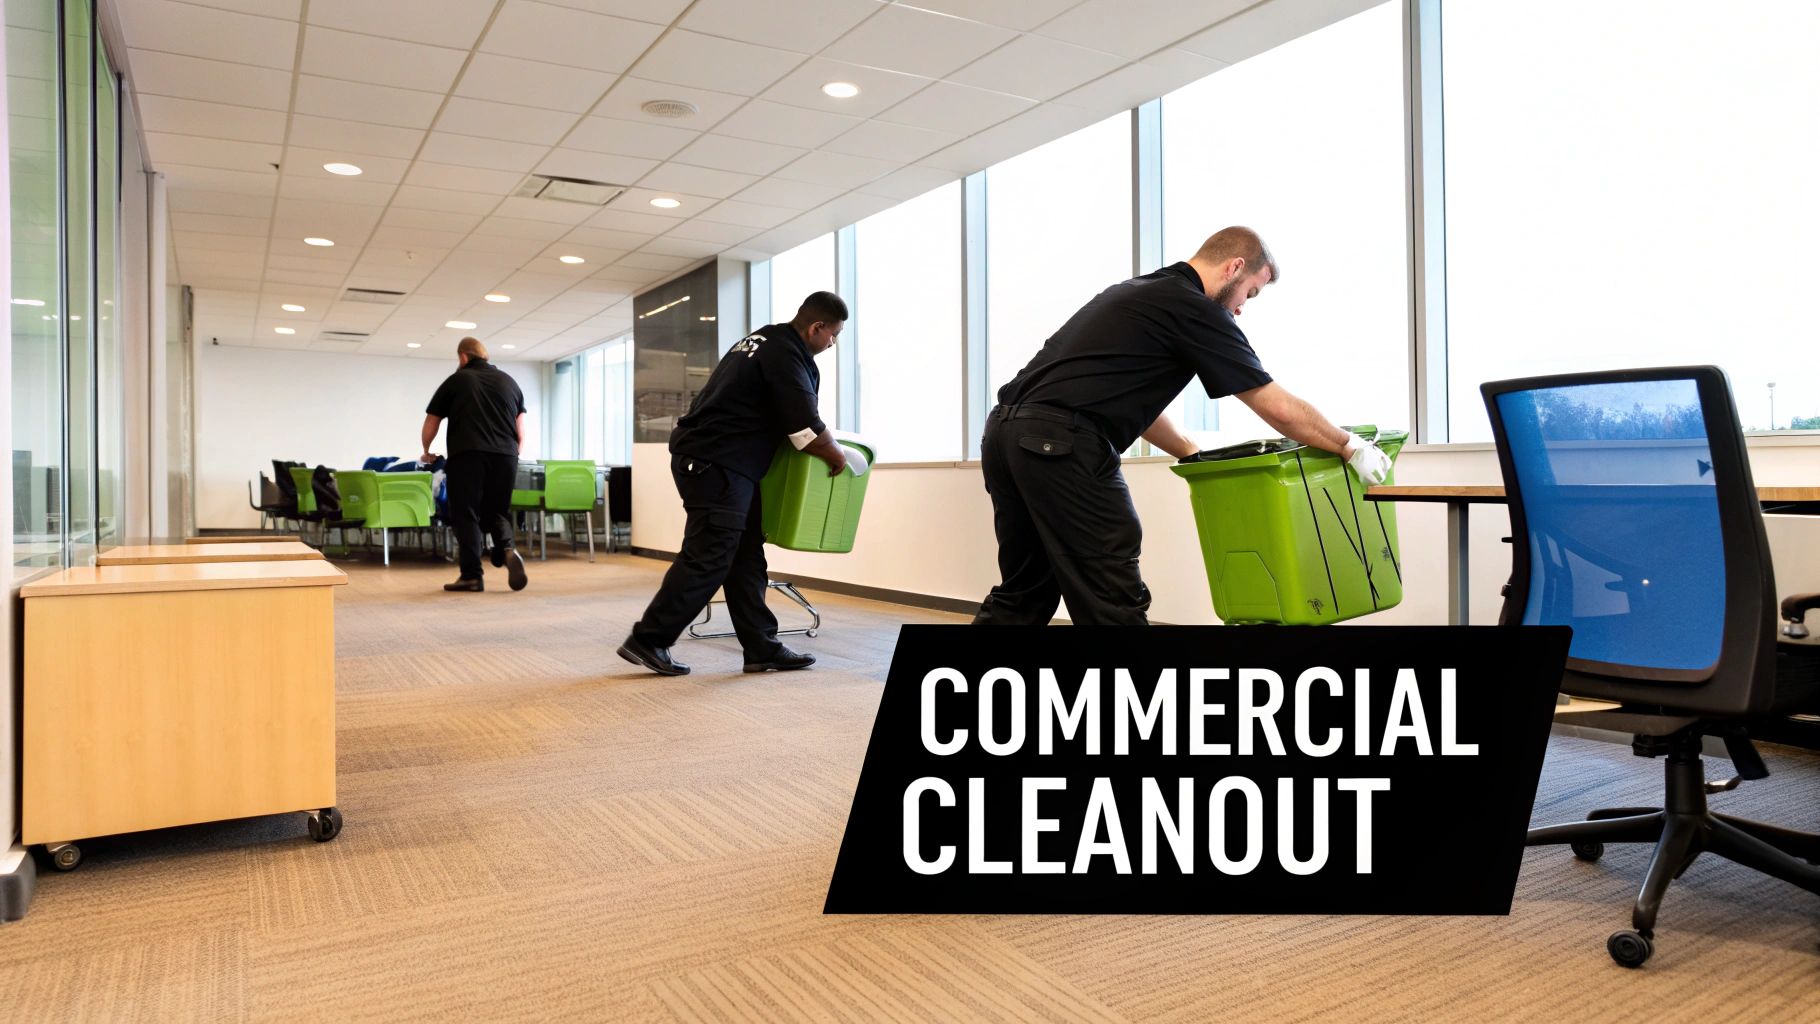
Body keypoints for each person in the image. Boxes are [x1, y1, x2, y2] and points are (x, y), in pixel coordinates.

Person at [972, 226, 1391, 626]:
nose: (1243, 306)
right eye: (1250, 292)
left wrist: (1190, 453)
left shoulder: (1137, 293)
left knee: (1026, 590)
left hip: (1006, 438)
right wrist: (1348, 445)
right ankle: (1134, 699)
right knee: (1111, 593)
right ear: (1233, 267)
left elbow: (1124, 399)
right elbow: (1275, 405)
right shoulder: (1194, 308)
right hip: (1060, 444)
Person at [618, 292, 850, 676]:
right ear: (817, 327)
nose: (832, 343)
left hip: (724, 461)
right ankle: (649, 638)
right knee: (710, 554)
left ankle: (761, 646)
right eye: (833, 335)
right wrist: (838, 457)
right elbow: (804, 428)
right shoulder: (786, 354)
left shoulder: (762, 340)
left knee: (745, 555)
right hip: (717, 462)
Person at [422, 337, 529, 593]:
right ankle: (507, 549)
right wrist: (513, 454)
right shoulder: (509, 382)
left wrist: (426, 451)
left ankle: (471, 576)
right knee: (496, 512)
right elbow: (521, 430)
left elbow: (431, 422)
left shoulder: (457, 380)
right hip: (506, 455)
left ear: (463, 357)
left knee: (466, 513)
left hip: (468, 453)